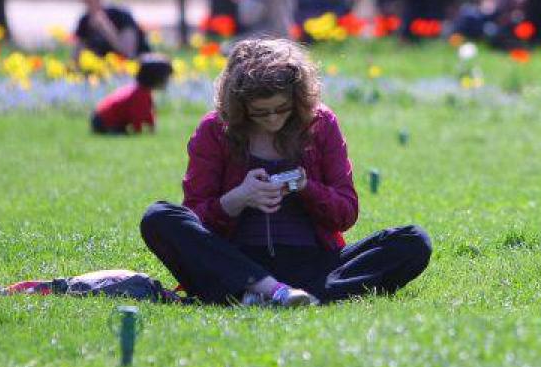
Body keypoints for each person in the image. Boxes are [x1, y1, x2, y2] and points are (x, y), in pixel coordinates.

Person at [139, 39, 432, 306]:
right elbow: (195, 222)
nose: (273, 119)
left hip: (313, 261)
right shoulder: (214, 130)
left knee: (413, 241)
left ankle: (255, 296)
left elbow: (346, 213)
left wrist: (306, 187)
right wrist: (239, 198)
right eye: (260, 112)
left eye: (282, 109)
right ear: (239, 107)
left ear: (298, 98)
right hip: (235, 258)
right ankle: (271, 290)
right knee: (158, 217)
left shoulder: (321, 123)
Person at [72, 0, 149, 61]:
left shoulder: (121, 14)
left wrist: (106, 28)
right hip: (106, 69)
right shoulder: (84, 20)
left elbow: (129, 53)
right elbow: (76, 56)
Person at [91, 54, 173, 135]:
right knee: (123, 134)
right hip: (103, 122)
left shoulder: (142, 91)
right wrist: (139, 131)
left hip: (102, 119)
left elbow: (148, 112)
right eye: (164, 77)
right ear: (154, 77)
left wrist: (152, 127)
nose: (166, 81)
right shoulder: (139, 94)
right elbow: (137, 118)